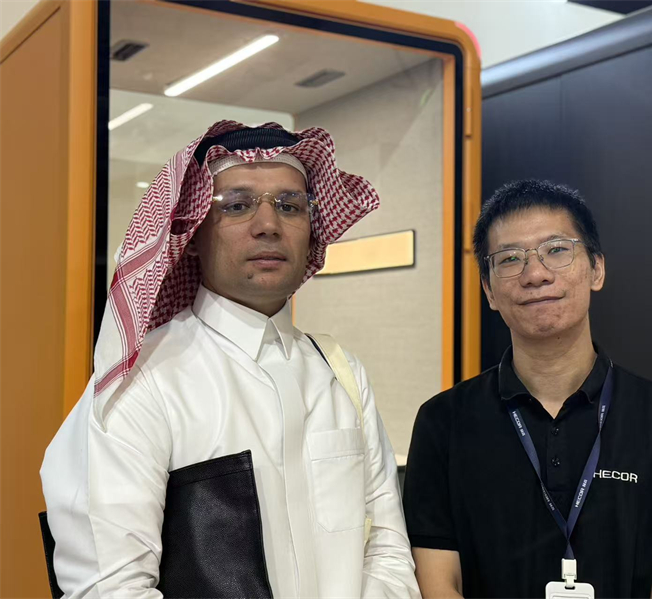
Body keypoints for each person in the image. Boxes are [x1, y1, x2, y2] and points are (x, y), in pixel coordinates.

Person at [41, 121, 419, 598]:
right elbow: (110, 588)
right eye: (237, 205)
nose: (269, 225)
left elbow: (386, 550)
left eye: (290, 205)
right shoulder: (144, 380)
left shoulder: (341, 372)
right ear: (195, 232)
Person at [402, 179, 652, 598]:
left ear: (597, 269)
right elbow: (439, 583)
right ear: (489, 290)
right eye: (510, 259)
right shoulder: (443, 422)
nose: (535, 274)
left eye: (556, 250)